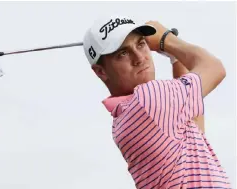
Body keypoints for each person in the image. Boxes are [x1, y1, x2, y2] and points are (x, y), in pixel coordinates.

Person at [83, 15, 231, 189]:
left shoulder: (124, 116)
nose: (139, 57)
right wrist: (167, 39)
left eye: (141, 44)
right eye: (122, 53)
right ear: (101, 71)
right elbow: (214, 68)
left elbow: (192, 128)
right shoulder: (148, 99)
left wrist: (176, 59)